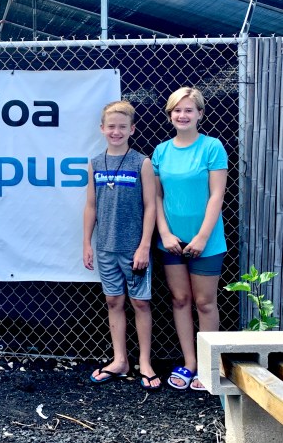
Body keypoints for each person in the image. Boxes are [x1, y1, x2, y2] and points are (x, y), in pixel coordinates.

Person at [153, 87, 228, 392]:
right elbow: (156, 197)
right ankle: (190, 362)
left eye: (188, 110)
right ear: (169, 115)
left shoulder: (212, 148)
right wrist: (165, 233)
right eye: (177, 110)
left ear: (200, 114)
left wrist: (201, 237)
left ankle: (210, 367)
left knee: (205, 303)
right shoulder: (161, 152)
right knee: (180, 300)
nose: (182, 115)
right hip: (171, 241)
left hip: (206, 241)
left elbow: (217, 195)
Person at [83, 100, 160, 391]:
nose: (116, 132)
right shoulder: (95, 163)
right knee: (114, 302)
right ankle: (120, 360)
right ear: (102, 128)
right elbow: (91, 206)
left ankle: (145, 362)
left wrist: (144, 246)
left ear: (132, 129)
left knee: (140, 302)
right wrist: (87, 243)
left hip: (134, 249)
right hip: (106, 248)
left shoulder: (141, 163)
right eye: (111, 126)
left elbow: (151, 206)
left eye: (122, 127)